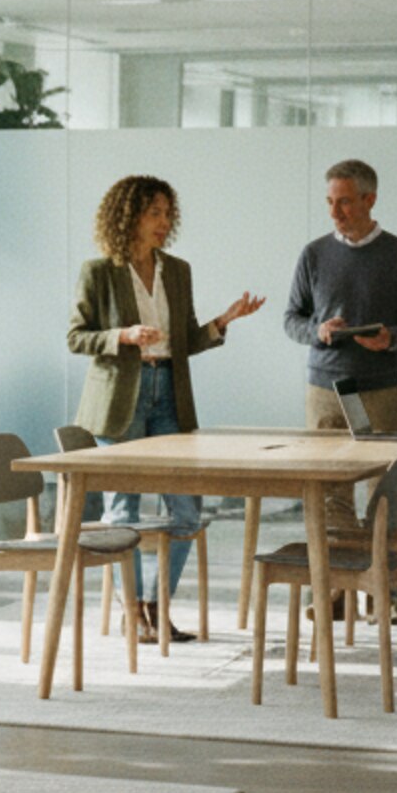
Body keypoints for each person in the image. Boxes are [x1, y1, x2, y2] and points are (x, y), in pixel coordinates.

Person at [68, 175, 265, 645]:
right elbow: (77, 336)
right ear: (128, 216)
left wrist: (222, 322)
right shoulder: (99, 271)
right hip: (120, 397)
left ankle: (157, 605)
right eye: (154, 212)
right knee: (124, 509)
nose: (164, 221)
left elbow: (184, 341)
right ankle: (132, 610)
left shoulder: (177, 270)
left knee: (186, 511)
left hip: (168, 393)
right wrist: (124, 336)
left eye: (167, 213)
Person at [283, 158, 397, 543]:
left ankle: (386, 574)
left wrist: (391, 338)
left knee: (386, 486)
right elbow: (291, 319)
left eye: (345, 202)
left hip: (379, 389)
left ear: (370, 199)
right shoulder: (313, 254)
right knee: (330, 491)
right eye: (330, 202)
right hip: (324, 390)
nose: (334, 212)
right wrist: (317, 331)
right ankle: (338, 576)